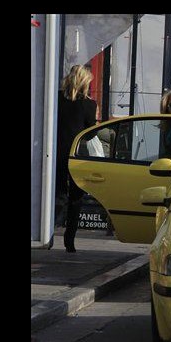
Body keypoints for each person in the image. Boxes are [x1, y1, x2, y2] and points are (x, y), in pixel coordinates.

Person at [56, 65, 98, 253]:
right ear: (85, 82)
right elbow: (89, 134)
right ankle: (69, 240)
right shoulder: (89, 105)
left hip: (54, 153)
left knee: (56, 194)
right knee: (75, 198)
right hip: (75, 155)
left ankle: (46, 232)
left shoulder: (56, 98)